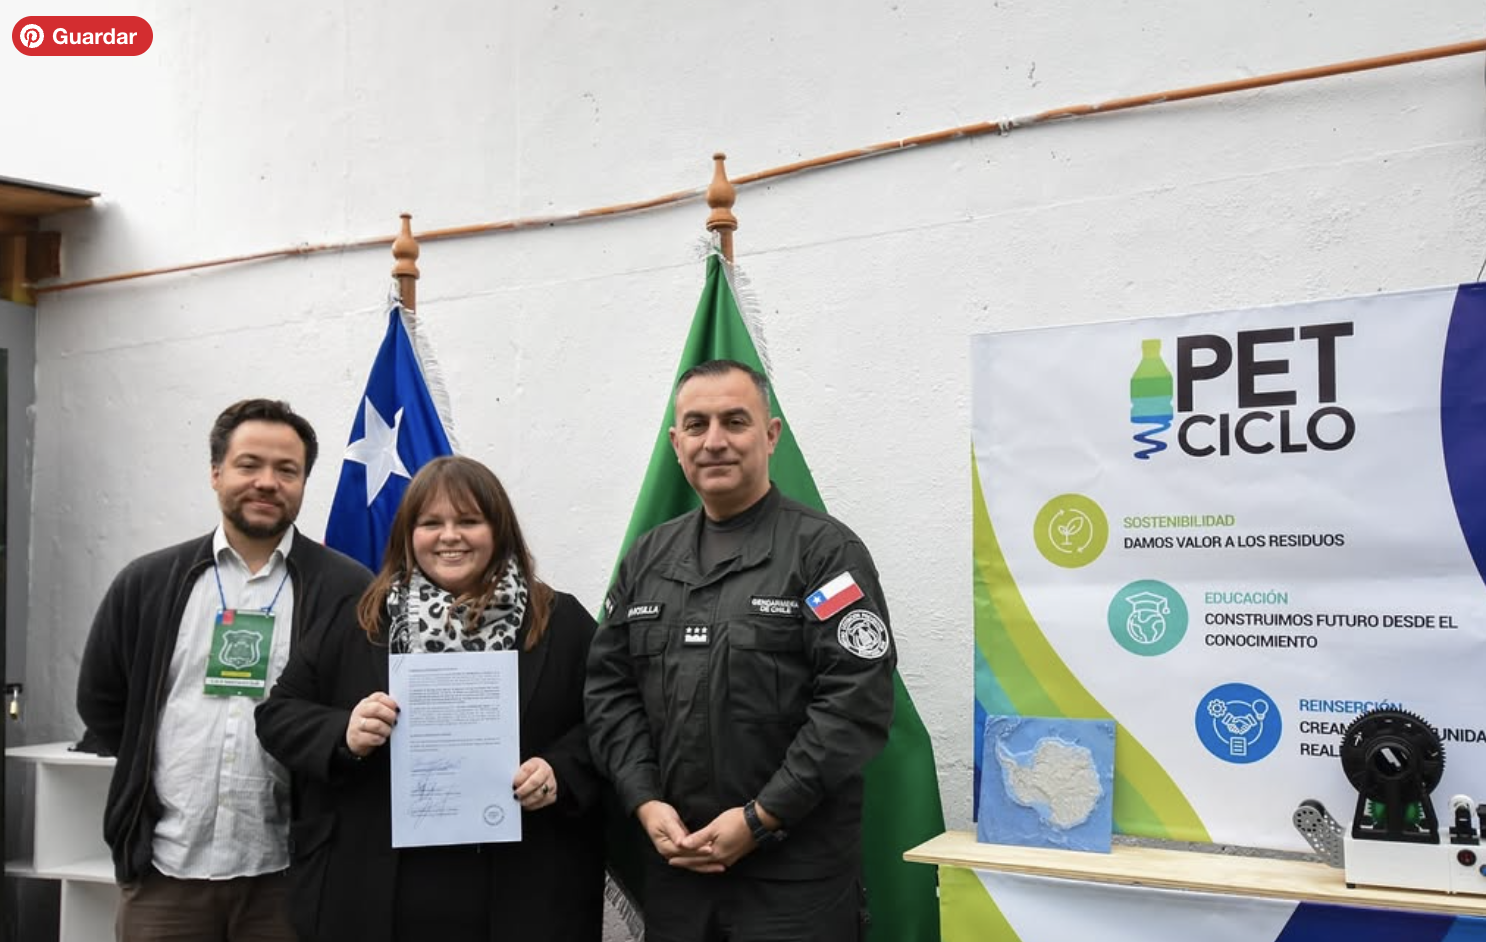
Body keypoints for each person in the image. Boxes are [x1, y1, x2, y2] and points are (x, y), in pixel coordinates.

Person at [585, 359, 897, 942]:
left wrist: (761, 818)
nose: (715, 441)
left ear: (770, 434)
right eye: (697, 426)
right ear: (676, 444)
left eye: (735, 421)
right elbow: (610, 692)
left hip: (794, 878)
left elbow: (854, 705)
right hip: (678, 868)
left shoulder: (825, 555)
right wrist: (644, 801)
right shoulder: (648, 558)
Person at [254, 455, 604, 942]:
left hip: (523, 889)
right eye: (431, 522)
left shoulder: (560, 621)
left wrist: (560, 771)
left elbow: (611, 722)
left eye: (469, 521)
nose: (450, 536)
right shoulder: (362, 618)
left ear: (498, 530)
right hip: (376, 891)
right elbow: (278, 715)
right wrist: (343, 733)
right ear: (407, 534)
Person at [76, 398, 373, 942]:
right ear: (216, 473)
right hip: (166, 874)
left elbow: (355, 716)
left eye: (287, 470)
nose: (267, 482)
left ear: (305, 482)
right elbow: (103, 703)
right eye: (248, 465)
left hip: (290, 876)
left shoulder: (349, 590)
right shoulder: (147, 583)